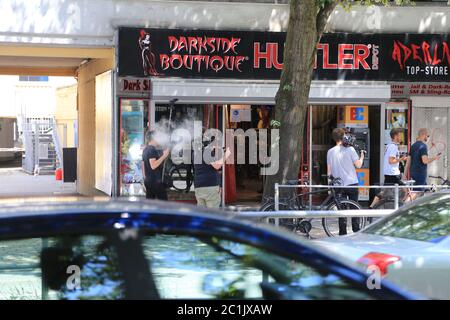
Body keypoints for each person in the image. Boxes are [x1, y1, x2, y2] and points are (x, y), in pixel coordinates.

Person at [327, 128, 365, 235]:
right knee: (354, 208)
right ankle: (356, 230)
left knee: (341, 209)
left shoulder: (330, 152)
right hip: (352, 183)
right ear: (343, 136)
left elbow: (329, 172)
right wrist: (362, 156)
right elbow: (358, 165)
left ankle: (342, 232)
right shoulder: (350, 150)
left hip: (338, 185)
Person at [370, 128, 408, 208]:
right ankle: (403, 208)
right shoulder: (393, 147)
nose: (400, 137)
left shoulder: (389, 146)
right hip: (393, 174)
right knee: (406, 190)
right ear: (395, 136)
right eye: (399, 135)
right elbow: (391, 161)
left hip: (389, 173)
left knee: (383, 192)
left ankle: (371, 206)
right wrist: (401, 159)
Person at [193, 138, 231, 208]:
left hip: (199, 187)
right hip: (210, 186)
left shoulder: (198, 153)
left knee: (202, 214)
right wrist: (226, 155)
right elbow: (217, 166)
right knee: (213, 213)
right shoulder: (207, 152)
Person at [142, 130, 170, 200]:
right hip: (155, 181)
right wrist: (164, 155)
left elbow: (143, 166)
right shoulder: (152, 149)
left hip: (148, 181)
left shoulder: (145, 149)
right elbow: (153, 165)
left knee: (150, 204)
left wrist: (146, 178)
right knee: (164, 203)